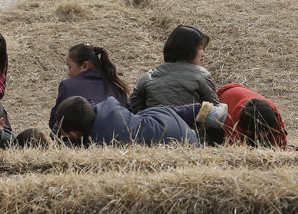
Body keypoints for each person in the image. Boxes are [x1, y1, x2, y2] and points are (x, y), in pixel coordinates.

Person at [55, 96, 227, 147]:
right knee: (149, 113)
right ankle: (204, 112)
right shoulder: (111, 107)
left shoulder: (100, 145)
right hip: (185, 134)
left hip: (180, 146)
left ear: (73, 133)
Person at [129, 25, 219, 112]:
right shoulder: (201, 74)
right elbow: (214, 111)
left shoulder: (149, 76)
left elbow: (133, 104)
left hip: (155, 125)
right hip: (187, 127)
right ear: (186, 49)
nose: (203, 54)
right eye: (200, 48)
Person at [48, 43, 130, 131]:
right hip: (119, 136)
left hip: (84, 139)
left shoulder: (68, 85)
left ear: (85, 66)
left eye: (70, 67)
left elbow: (55, 121)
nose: (68, 73)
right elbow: (129, 115)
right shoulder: (117, 85)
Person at [216, 83, 292, 149]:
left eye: (269, 130)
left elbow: (280, 140)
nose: (269, 133)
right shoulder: (231, 122)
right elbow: (233, 151)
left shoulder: (272, 109)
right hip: (223, 94)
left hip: (239, 91)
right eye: (266, 131)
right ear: (248, 130)